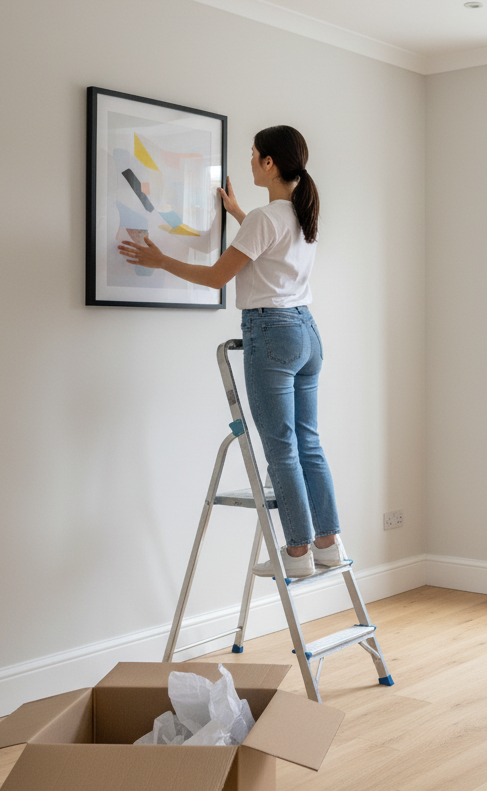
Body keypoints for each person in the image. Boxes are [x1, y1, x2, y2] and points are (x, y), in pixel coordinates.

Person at [118, 125, 341, 578]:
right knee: (308, 443)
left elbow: (217, 278)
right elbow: (269, 248)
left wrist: (161, 260)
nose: (250, 161)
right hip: (306, 333)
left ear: (270, 163)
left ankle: (297, 553)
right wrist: (237, 211)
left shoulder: (266, 218)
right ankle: (327, 545)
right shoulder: (302, 214)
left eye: (254, 154)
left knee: (281, 449)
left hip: (271, 333)